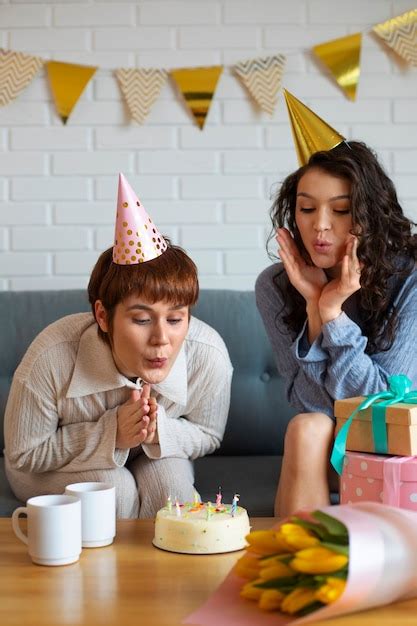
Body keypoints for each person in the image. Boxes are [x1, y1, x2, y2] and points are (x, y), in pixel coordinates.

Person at [4, 174, 233, 518]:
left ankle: (164, 572)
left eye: (175, 319)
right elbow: (24, 454)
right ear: (103, 316)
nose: (161, 338)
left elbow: (208, 434)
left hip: (152, 453)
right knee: (114, 490)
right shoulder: (52, 356)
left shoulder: (208, 355)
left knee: (170, 487)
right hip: (44, 469)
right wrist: (110, 433)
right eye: (141, 320)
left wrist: (159, 432)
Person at [255, 141, 417, 518]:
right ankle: (300, 569)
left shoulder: (409, 276)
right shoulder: (276, 287)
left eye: (340, 210)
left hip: (398, 445)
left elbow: (382, 405)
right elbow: (309, 403)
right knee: (306, 427)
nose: (320, 225)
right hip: (329, 449)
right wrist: (314, 305)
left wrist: (332, 315)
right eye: (307, 208)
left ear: (367, 216)